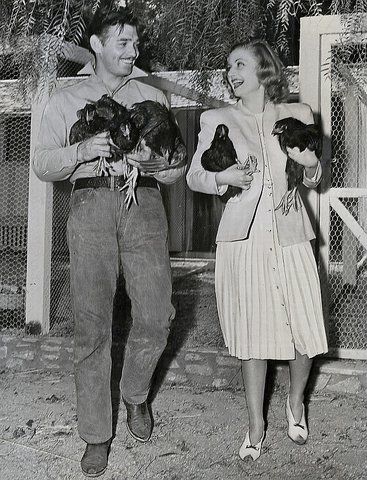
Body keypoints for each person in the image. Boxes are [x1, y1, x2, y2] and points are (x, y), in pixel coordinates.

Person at [33, 5, 186, 477]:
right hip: (90, 205)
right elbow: (42, 164)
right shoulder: (66, 99)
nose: (132, 51)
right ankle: (96, 434)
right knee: (92, 322)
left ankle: (135, 393)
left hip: (143, 205)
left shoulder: (149, 97)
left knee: (158, 314)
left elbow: (178, 167)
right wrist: (80, 150)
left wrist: (155, 164)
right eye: (122, 43)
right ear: (97, 44)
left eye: (135, 43)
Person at [186, 39, 328, 461]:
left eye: (240, 63)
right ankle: (256, 425)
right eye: (228, 65)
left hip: (290, 234)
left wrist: (309, 166)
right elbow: (195, 175)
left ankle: (296, 401)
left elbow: (315, 176)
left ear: (264, 69)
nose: (231, 72)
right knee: (252, 335)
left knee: (307, 325)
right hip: (242, 240)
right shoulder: (217, 118)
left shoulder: (298, 115)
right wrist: (224, 176)